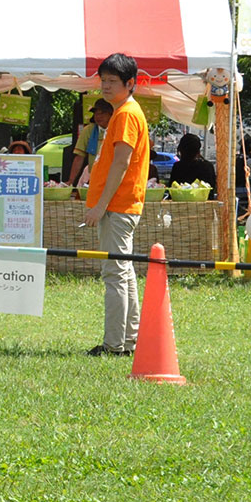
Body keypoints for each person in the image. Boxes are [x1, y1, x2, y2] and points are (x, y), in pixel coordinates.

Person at [83, 53, 150, 357]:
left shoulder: (125, 114)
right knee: (124, 273)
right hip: (121, 205)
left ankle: (114, 345)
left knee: (115, 274)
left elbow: (121, 164)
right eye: (103, 80)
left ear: (130, 83)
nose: (105, 86)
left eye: (112, 81)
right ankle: (128, 342)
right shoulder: (125, 111)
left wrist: (100, 206)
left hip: (118, 206)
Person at [69, 99, 113, 186]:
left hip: (114, 177)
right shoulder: (89, 130)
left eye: (102, 113)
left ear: (111, 114)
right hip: (94, 177)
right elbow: (79, 157)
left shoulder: (118, 129)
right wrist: (70, 181)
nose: (98, 116)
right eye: (96, 113)